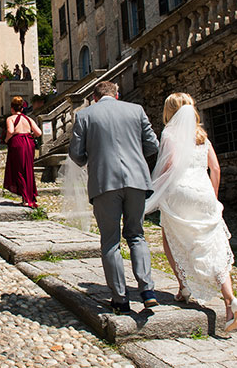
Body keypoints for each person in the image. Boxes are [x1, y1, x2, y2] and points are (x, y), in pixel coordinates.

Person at [145, 93, 237, 332]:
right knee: (212, 244)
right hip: (204, 192)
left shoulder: (169, 134)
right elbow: (215, 168)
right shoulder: (202, 136)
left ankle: (183, 287)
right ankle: (230, 299)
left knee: (172, 237)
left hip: (180, 192)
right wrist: (213, 197)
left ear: (170, 111)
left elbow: (169, 167)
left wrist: (154, 190)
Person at [68, 81, 159, 314]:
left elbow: (76, 154)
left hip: (104, 181)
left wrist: (94, 156)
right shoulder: (136, 110)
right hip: (137, 180)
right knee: (137, 235)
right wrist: (136, 156)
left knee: (111, 241)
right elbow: (152, 145)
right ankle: (147, 290)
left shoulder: (85, 115)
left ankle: (120, 298)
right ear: (117, 95)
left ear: (94, 97)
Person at [4, 96, 42, 208]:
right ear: (22, 108)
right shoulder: (28, 119)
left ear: (12, 108)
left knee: (19, 170)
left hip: (17, 143)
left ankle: (25, 197)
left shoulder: (10, 119)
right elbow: (39, 132)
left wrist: (6, 139)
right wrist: (31, 135)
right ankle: (30, 196)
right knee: (28, 169)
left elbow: (11, 131)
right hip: (29, 143)